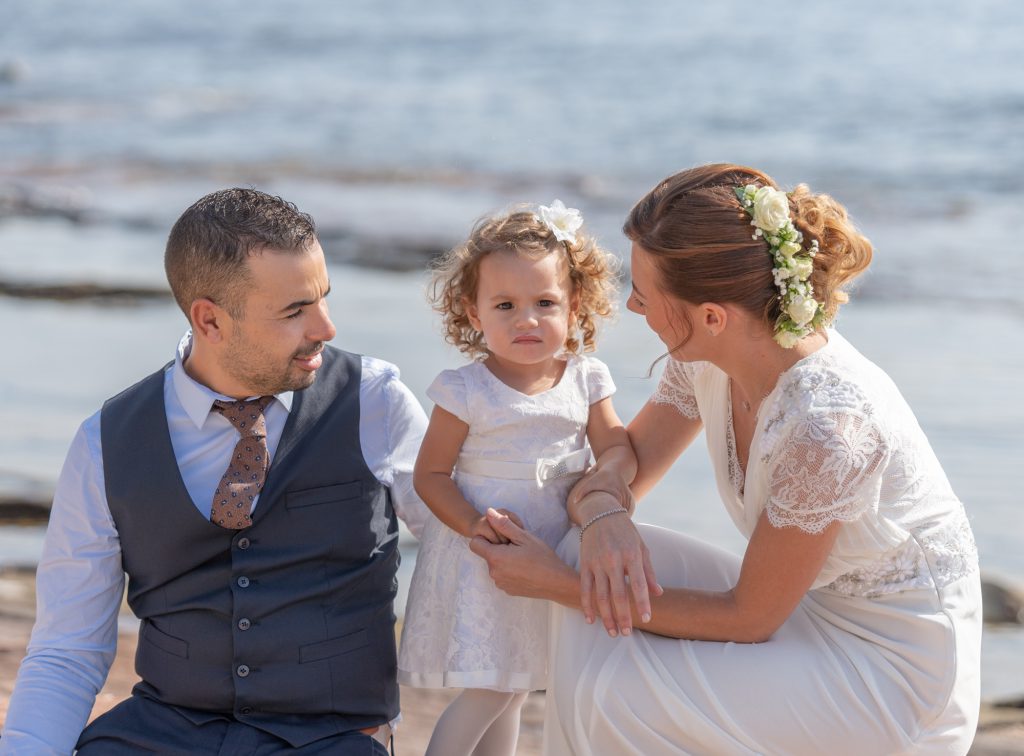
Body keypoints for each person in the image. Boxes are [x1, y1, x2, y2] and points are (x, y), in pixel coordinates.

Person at [470, 164, 983, 755]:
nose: (631, 306)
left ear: (713, 316)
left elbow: (749, 618)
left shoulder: (827, 429)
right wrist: (604, 514)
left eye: (644, 292)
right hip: (809, 610)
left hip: (894, 676)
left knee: (615, 688)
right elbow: (627, 458)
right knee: (584, 557)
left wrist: (559, 585)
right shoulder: (711, 355)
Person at [0, 188, 430, 755]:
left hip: (330, 739)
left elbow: (468, 544)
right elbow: (68, 647)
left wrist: (590, 509)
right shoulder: (106, 442)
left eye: (323, 297)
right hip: (157, 735)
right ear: (210, 319)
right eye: (295, 310)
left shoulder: (375, 403)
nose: (325, 327)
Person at [397, 201, 636, 755]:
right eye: (505, 304)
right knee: (490, 687)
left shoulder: (586, 379)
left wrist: (608, 482)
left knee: (517, 685)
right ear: (473, 312)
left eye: (544, 303)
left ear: (575, 307)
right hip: (483, 553)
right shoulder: (465, 390)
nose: (526, 320)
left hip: (550, 549)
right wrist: (474, 525)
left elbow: (616, 446)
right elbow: (431, 475)